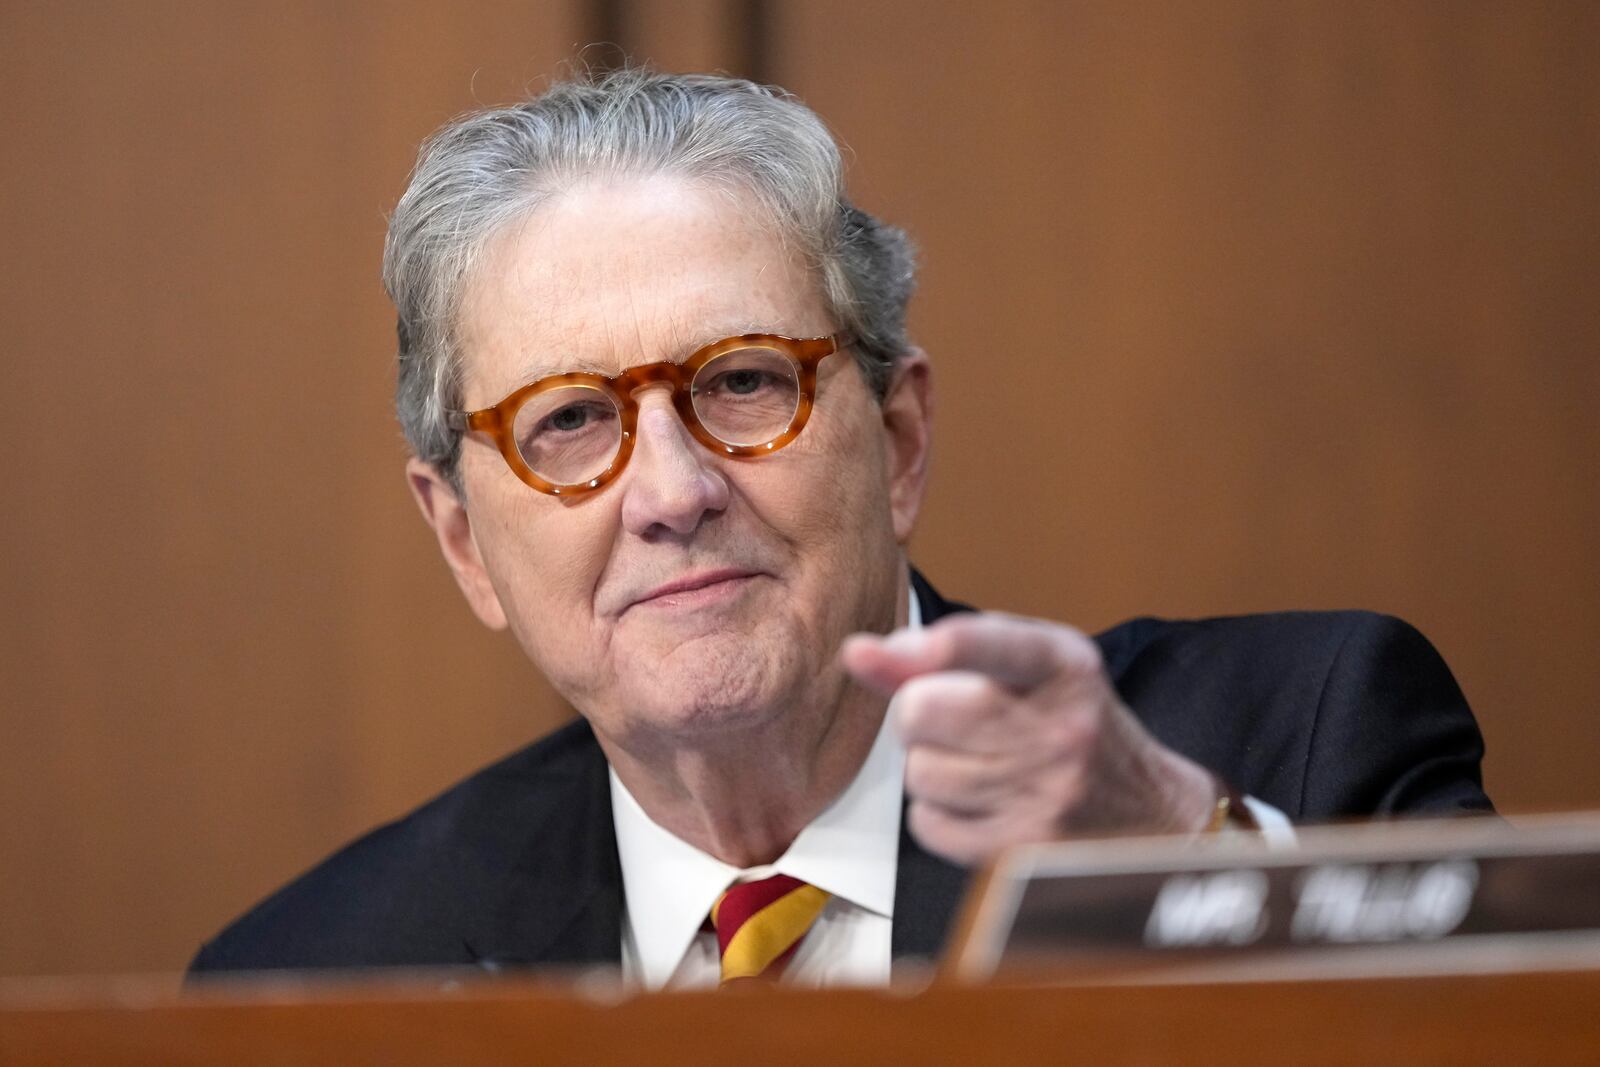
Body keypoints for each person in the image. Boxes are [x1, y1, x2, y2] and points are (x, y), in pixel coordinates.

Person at [189, 68, 1491, 987]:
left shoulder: (1305, 738)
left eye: (745, 382)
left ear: (900, 438)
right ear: (467, 542)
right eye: (571, 421)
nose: (672, 492)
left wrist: (1172, 855)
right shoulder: (318, 976)